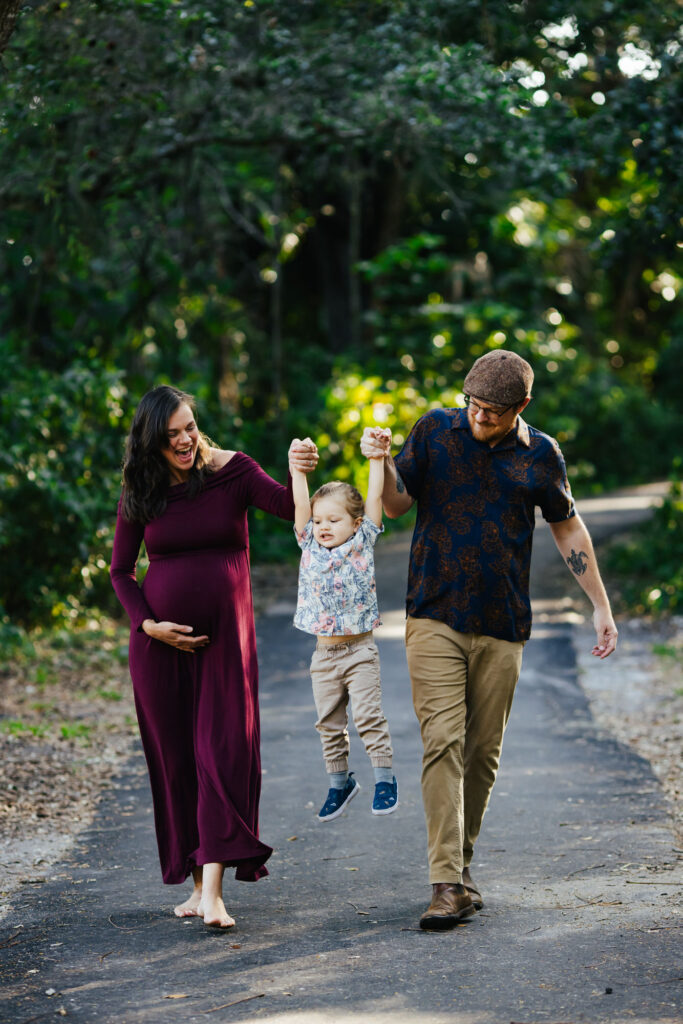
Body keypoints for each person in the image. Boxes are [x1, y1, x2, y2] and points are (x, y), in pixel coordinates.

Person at [361, 349, 618, 931]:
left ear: (521, 407)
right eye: (474, 405)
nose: (480, 418)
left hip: (503, 622)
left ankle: (461, 867)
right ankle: (445, 883)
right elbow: (398, 503)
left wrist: (600, 606)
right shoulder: (435, 429)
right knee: (443, 742)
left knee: (481, 754)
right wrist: (380, 464)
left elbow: (568, 526)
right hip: (433, 614)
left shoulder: (540, 455)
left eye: (494, 412)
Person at [110, 384, 318, 929]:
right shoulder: (142, 488)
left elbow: (292, 517)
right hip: (159, 650)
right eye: (171, 434)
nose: (184, 440)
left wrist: (298, 472)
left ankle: (216, 892)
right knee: (178, 762)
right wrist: (149, 624)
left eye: (189, 427)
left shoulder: (234, 471)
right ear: (151, 442)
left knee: (220, 755)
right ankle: (200, 888)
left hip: (225, 645)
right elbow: (120, 571)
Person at [289, 432, 398, 822]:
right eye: (319, 520)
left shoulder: (363, 540)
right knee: (329, 724)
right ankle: (340, 784)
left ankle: (384, 779)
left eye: (333, 520)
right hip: (324, 656)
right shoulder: (309, 545)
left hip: (360, 651)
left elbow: (374, 497)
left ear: (354, 523)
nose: (323, 526)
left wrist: (376, 457)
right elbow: (301, 502)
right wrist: (295, 469)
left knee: (368, 717)